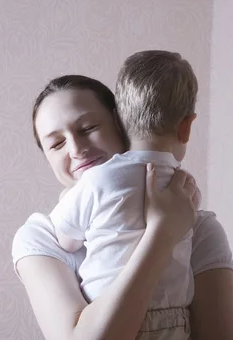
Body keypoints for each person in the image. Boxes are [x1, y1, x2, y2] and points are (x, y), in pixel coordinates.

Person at [12, 71, 233, 339]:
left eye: (88, 128)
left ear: (122, 125)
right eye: (57, 143)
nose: (75, 149)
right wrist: (162, 235)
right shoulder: (41, 238)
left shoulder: (199, 228)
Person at [48, 50, 201, 328]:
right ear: (186, 127)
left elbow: (67, 240)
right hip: (175, 318)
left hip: (107, 313)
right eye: (57, 143)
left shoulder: (98, 181)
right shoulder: (186, 188)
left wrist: (68, 199)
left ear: (119, 121)